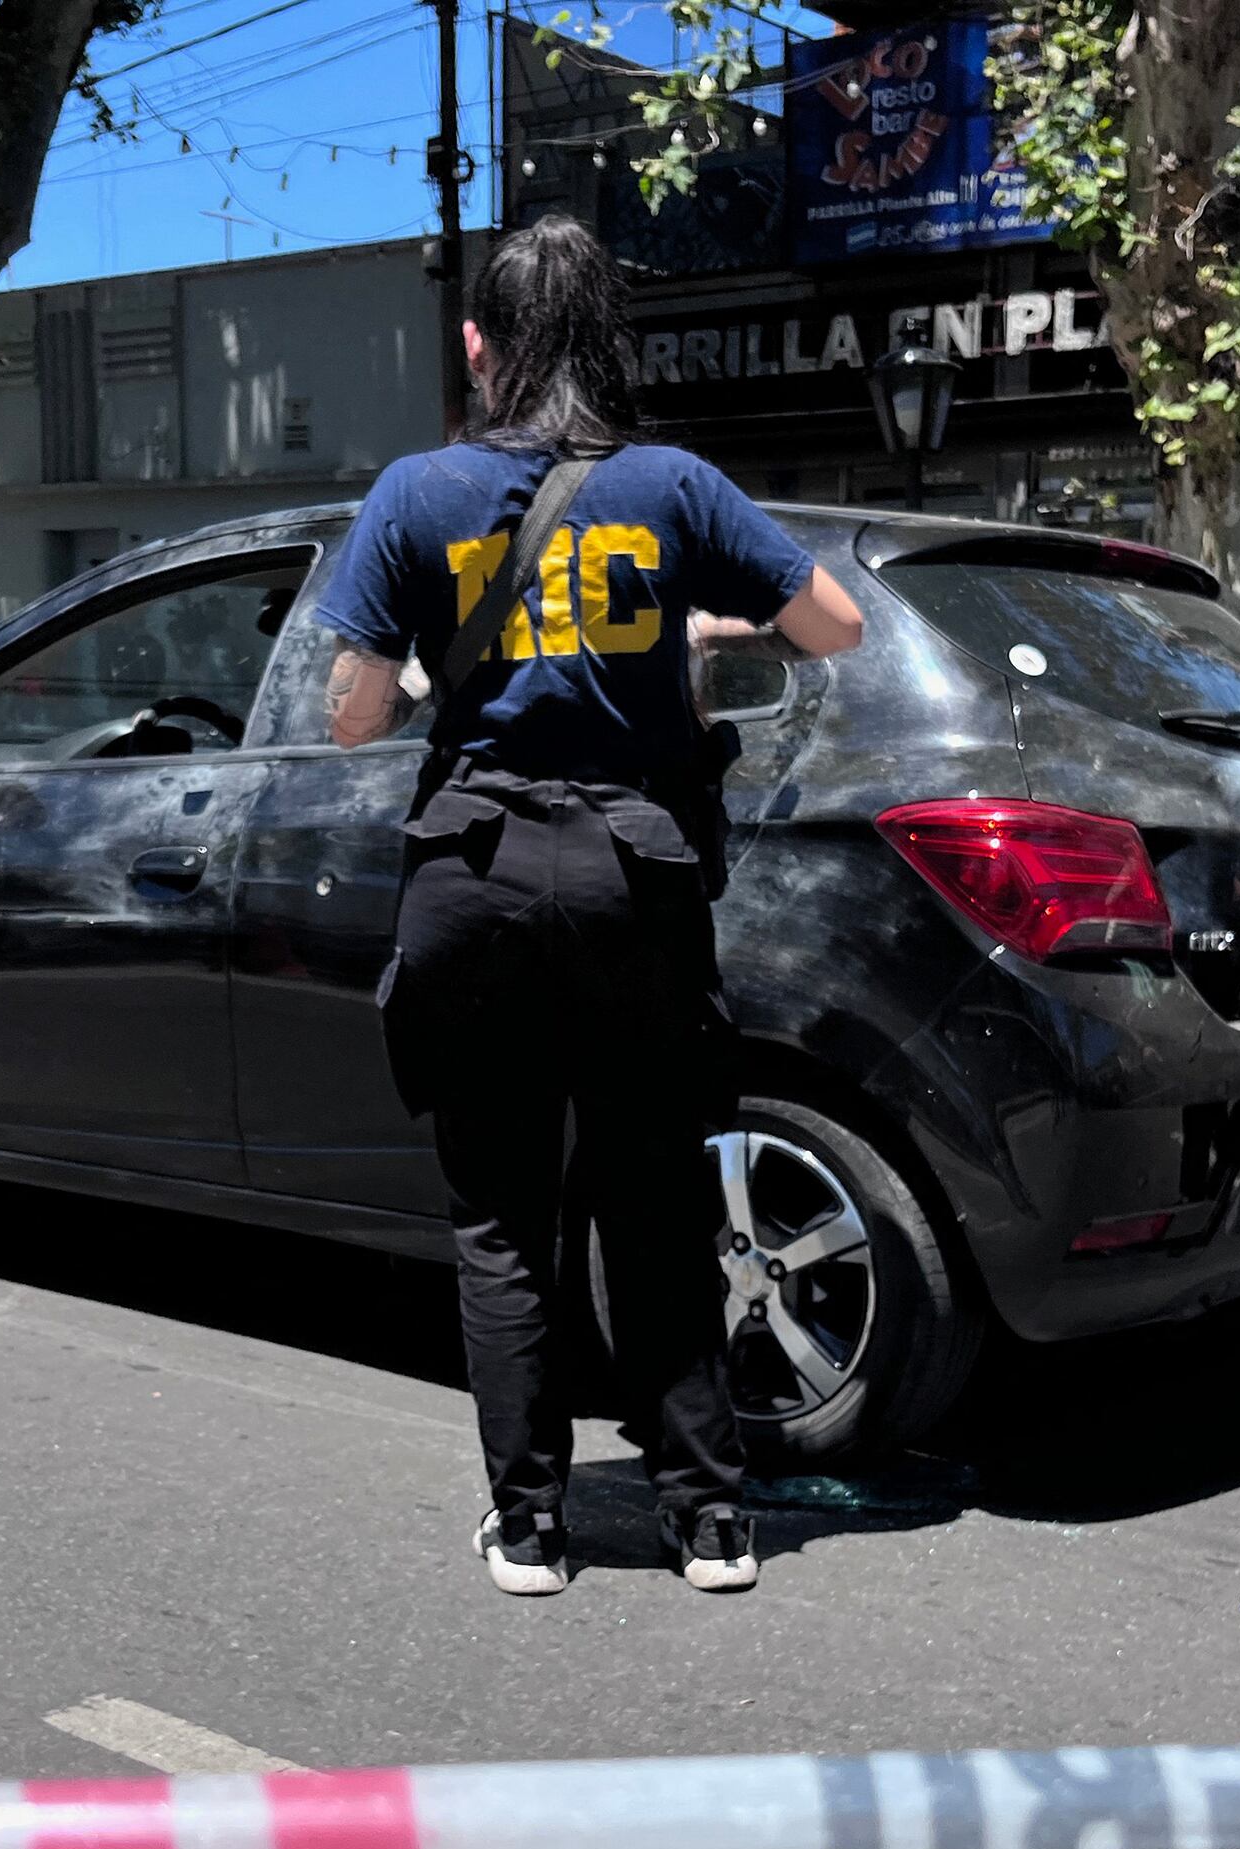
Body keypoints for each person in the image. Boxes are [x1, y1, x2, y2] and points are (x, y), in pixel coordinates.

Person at [319, 214, 864, 1598]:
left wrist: (442, 673)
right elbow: (836, 628)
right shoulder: (674, 486)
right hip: (633, 883)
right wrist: (695, 620)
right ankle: (710, 1519)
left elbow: (351, 718)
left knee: (503, 1219)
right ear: (610, 342)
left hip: (476, 878)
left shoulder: (412, 493)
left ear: (477, 344)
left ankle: (531, 1527)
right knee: (654, 1204)